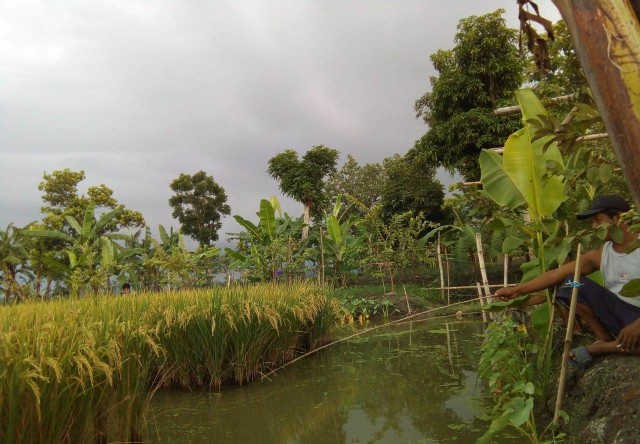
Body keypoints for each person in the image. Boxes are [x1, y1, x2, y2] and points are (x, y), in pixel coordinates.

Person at [495, 194, 640, 367]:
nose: (594, 227)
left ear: (617, 218)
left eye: (597, 220)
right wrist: (517, 290)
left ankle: (599, 349)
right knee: (571, 283)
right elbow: (556, 274)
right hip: (617, 311)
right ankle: (604, 338)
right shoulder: (601, 254)